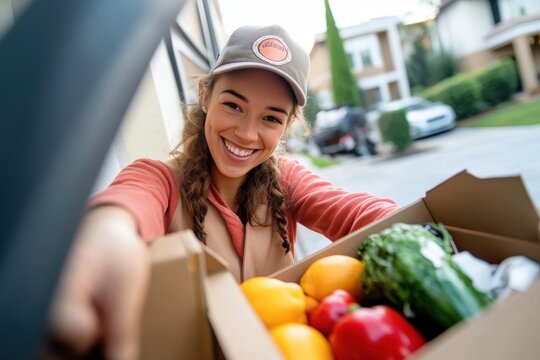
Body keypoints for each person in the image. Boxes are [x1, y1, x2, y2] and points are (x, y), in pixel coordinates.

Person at [48, 24, 398, 359]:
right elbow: (123, 209)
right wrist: (101, 240)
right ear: (205, 95)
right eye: (233, 105)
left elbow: (353, 210)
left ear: (287, 125)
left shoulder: (288, 179)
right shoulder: (161, 180)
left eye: (271, 118)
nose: (247, 134)